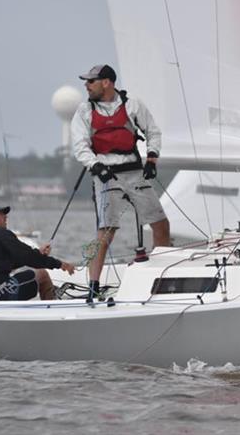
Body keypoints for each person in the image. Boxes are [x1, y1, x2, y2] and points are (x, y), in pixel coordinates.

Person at [70, 64, 170, 303]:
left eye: (91, 81)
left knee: (161, 224)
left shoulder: (132, 104)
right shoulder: (84, 110)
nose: (86, 85)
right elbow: (80, 146)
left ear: (107, 82)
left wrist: (152, 157)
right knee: (106, 232)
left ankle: (161, 277)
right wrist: (95, 166)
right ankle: (93, 285)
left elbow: (153, 132)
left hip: (134, 172)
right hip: (105, 175)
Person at [0, 203, 75, 301]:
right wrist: (60, 264)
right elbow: (28, 257)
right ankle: (52, 310)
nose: (5, 216)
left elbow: (11, 261)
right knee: (42, 274)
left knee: (26, 271)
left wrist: (38, 252)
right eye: (0, 213)